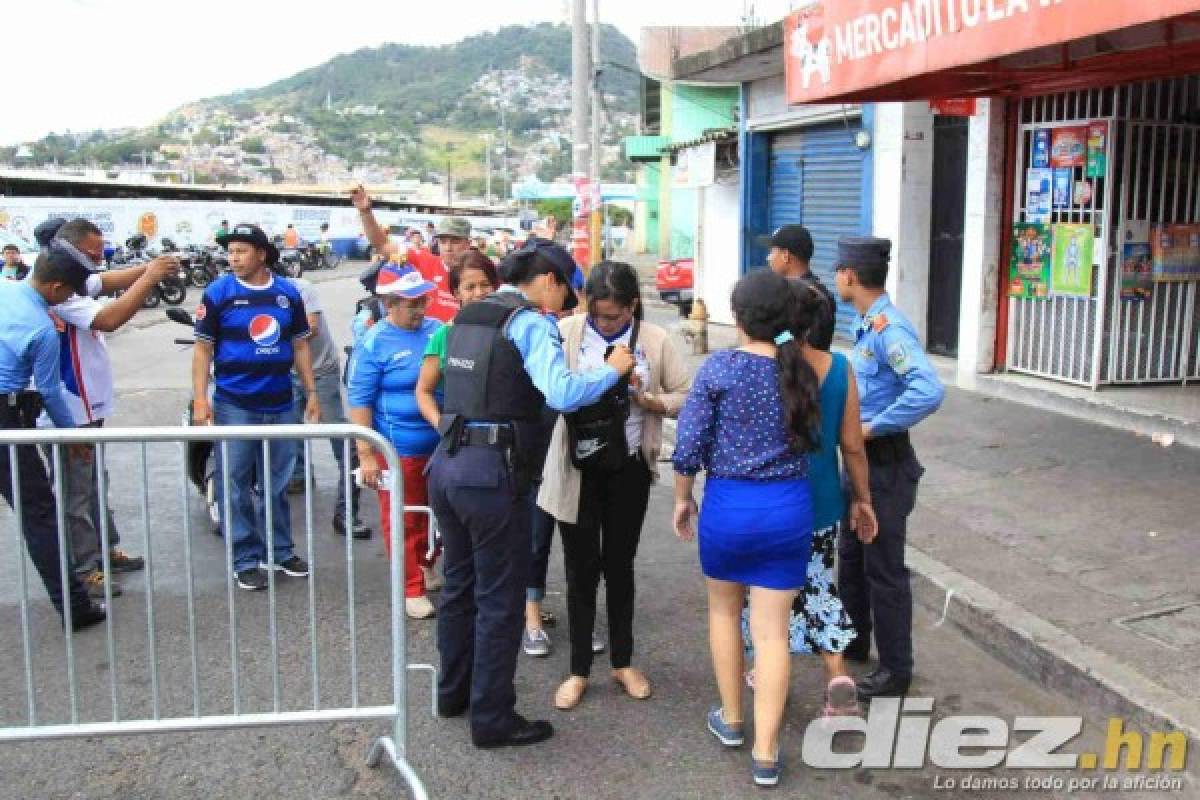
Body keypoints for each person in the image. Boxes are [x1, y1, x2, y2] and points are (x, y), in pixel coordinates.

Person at [429, 238, 635, 750]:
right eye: (566, 287)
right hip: (492, 474)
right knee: (499, 597)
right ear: (548, 279)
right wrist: (613, 371)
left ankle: (452, 693)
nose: (567, 299)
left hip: (448, 465)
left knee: (459, 586)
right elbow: (560, 392)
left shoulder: (471, 315)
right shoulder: (527, 321)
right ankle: (493, 718)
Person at [672, 269, 822, 788]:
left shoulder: (719, 370)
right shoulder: (801, 372)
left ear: (737, 318)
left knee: (723, 611)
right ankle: (766, 752)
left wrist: (682, 499)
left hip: (729, 508)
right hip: (786, 510)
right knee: (773, 634)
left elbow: (689, 447)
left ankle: (733, 720)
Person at [538, 261, 691, 709]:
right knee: (579, 569)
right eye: (600, 315)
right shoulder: (565, 332)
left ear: (633, 306)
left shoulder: (655, 339)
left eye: (617, 316)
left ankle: (623, 661)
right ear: (585, 304)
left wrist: (649, 399)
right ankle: (578, 670)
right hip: (576, 468)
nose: (607, 324)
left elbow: (686, 395)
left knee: (620, 566)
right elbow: (547, 388)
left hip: (629, 468)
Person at [740, 283, 879, 716]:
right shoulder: (839, 368)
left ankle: (766, 672)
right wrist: (863, 499)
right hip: (818, 503)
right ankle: (838, 678)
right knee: (817, 585)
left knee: (763, 589)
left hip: (766, 502)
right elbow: (853, 446)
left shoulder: (759, 367)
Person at [833, 236, 944, 703]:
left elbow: (928, 390)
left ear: (851, 276)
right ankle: (855, 639)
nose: (836, 276)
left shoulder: (888, 329)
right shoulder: (866, 323)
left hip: (884, 465)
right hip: (860, 461)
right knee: (853, 557)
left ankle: (896, 671)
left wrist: (872, 428)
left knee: (884, 570)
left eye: (839, 270)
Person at [44, 218, 177, 599]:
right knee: (76, 493)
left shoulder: (77, 276)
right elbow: (110, 318)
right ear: (69, 252)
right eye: (92, 253)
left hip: (92, 407)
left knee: (93, 483)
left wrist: (153, 267)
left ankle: (104, 549)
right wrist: (150, 278)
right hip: (71, 411)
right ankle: (84, 570)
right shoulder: (60, 290)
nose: (98, 260)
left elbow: (107, 281)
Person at [192, 224, 320, 591]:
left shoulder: (286, 294)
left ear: (261, 254)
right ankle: (245, 559)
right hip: (235, 404)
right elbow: (202, 349)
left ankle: (279, 551)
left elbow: (299, 346)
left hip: (281, 401)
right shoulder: (218, 292)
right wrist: (202, 400)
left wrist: (311, 392)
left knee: (276, 484)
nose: (233, 258)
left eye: (241, 251)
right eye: (230, 252)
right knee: (235, 485)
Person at [0, 244, 107, 629]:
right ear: (57, 287)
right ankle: (75, 608)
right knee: (39, 515)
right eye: (69, 293)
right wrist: (72, 436)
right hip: (7, 415)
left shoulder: (4, 287)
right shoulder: (42, 329)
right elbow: (50, 392)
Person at [348, 263, 444, 619]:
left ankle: (425, 564)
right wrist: (367, 454)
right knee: (402, 518)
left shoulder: (437, 331)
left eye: (422, 301)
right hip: (396, 450)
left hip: (438, 447)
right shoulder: (374, 342)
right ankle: (410, 588)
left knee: (436, 515)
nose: (421, 309)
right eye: (411, 303)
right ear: (389, 304)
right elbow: (359, 399)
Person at [285, 276, 371, 539]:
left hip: (321, 370)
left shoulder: (301, 288)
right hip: (284, 372)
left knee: (341, 439)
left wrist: (265, 340)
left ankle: (346, 510)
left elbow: (311, 327)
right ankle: (298, 477)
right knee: (288, 432)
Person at [351, 186, 461, 323]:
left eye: (455, 241)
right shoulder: (424, 260)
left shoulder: (481, 270)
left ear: (468, 243)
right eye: (443, 241)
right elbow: (383, 246)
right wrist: (365, 213)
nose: (448, 247)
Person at [760, 224, 837, 350]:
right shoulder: (822, 291)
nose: (768, 258)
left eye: (772, 252)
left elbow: (787, 340)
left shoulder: (792, 295)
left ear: (785, 255)